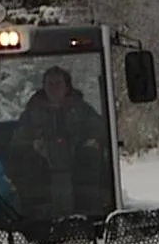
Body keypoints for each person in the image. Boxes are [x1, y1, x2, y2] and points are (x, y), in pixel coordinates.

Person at [8, 65, 107, 217]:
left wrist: (89, 143)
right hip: (40, 185)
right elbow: (17, 142)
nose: (54, 88)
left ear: (67, 87)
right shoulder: (31, 114)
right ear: (44, 87)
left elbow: (101, 132)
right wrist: (32, 145)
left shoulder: (83, 111)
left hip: (81, 181)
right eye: (50, 84)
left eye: (58, 83)